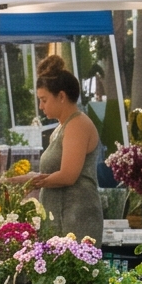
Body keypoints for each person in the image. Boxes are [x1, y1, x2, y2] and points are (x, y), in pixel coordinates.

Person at [16, 69, 105, 237]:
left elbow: (67, 176)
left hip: (76, 218)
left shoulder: (77, 124)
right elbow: (48, 175)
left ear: (62, 96)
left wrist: (30, 183)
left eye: (44, 100)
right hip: (58, 215)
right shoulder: (60, 128)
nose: (41, 106)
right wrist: (14, 180)